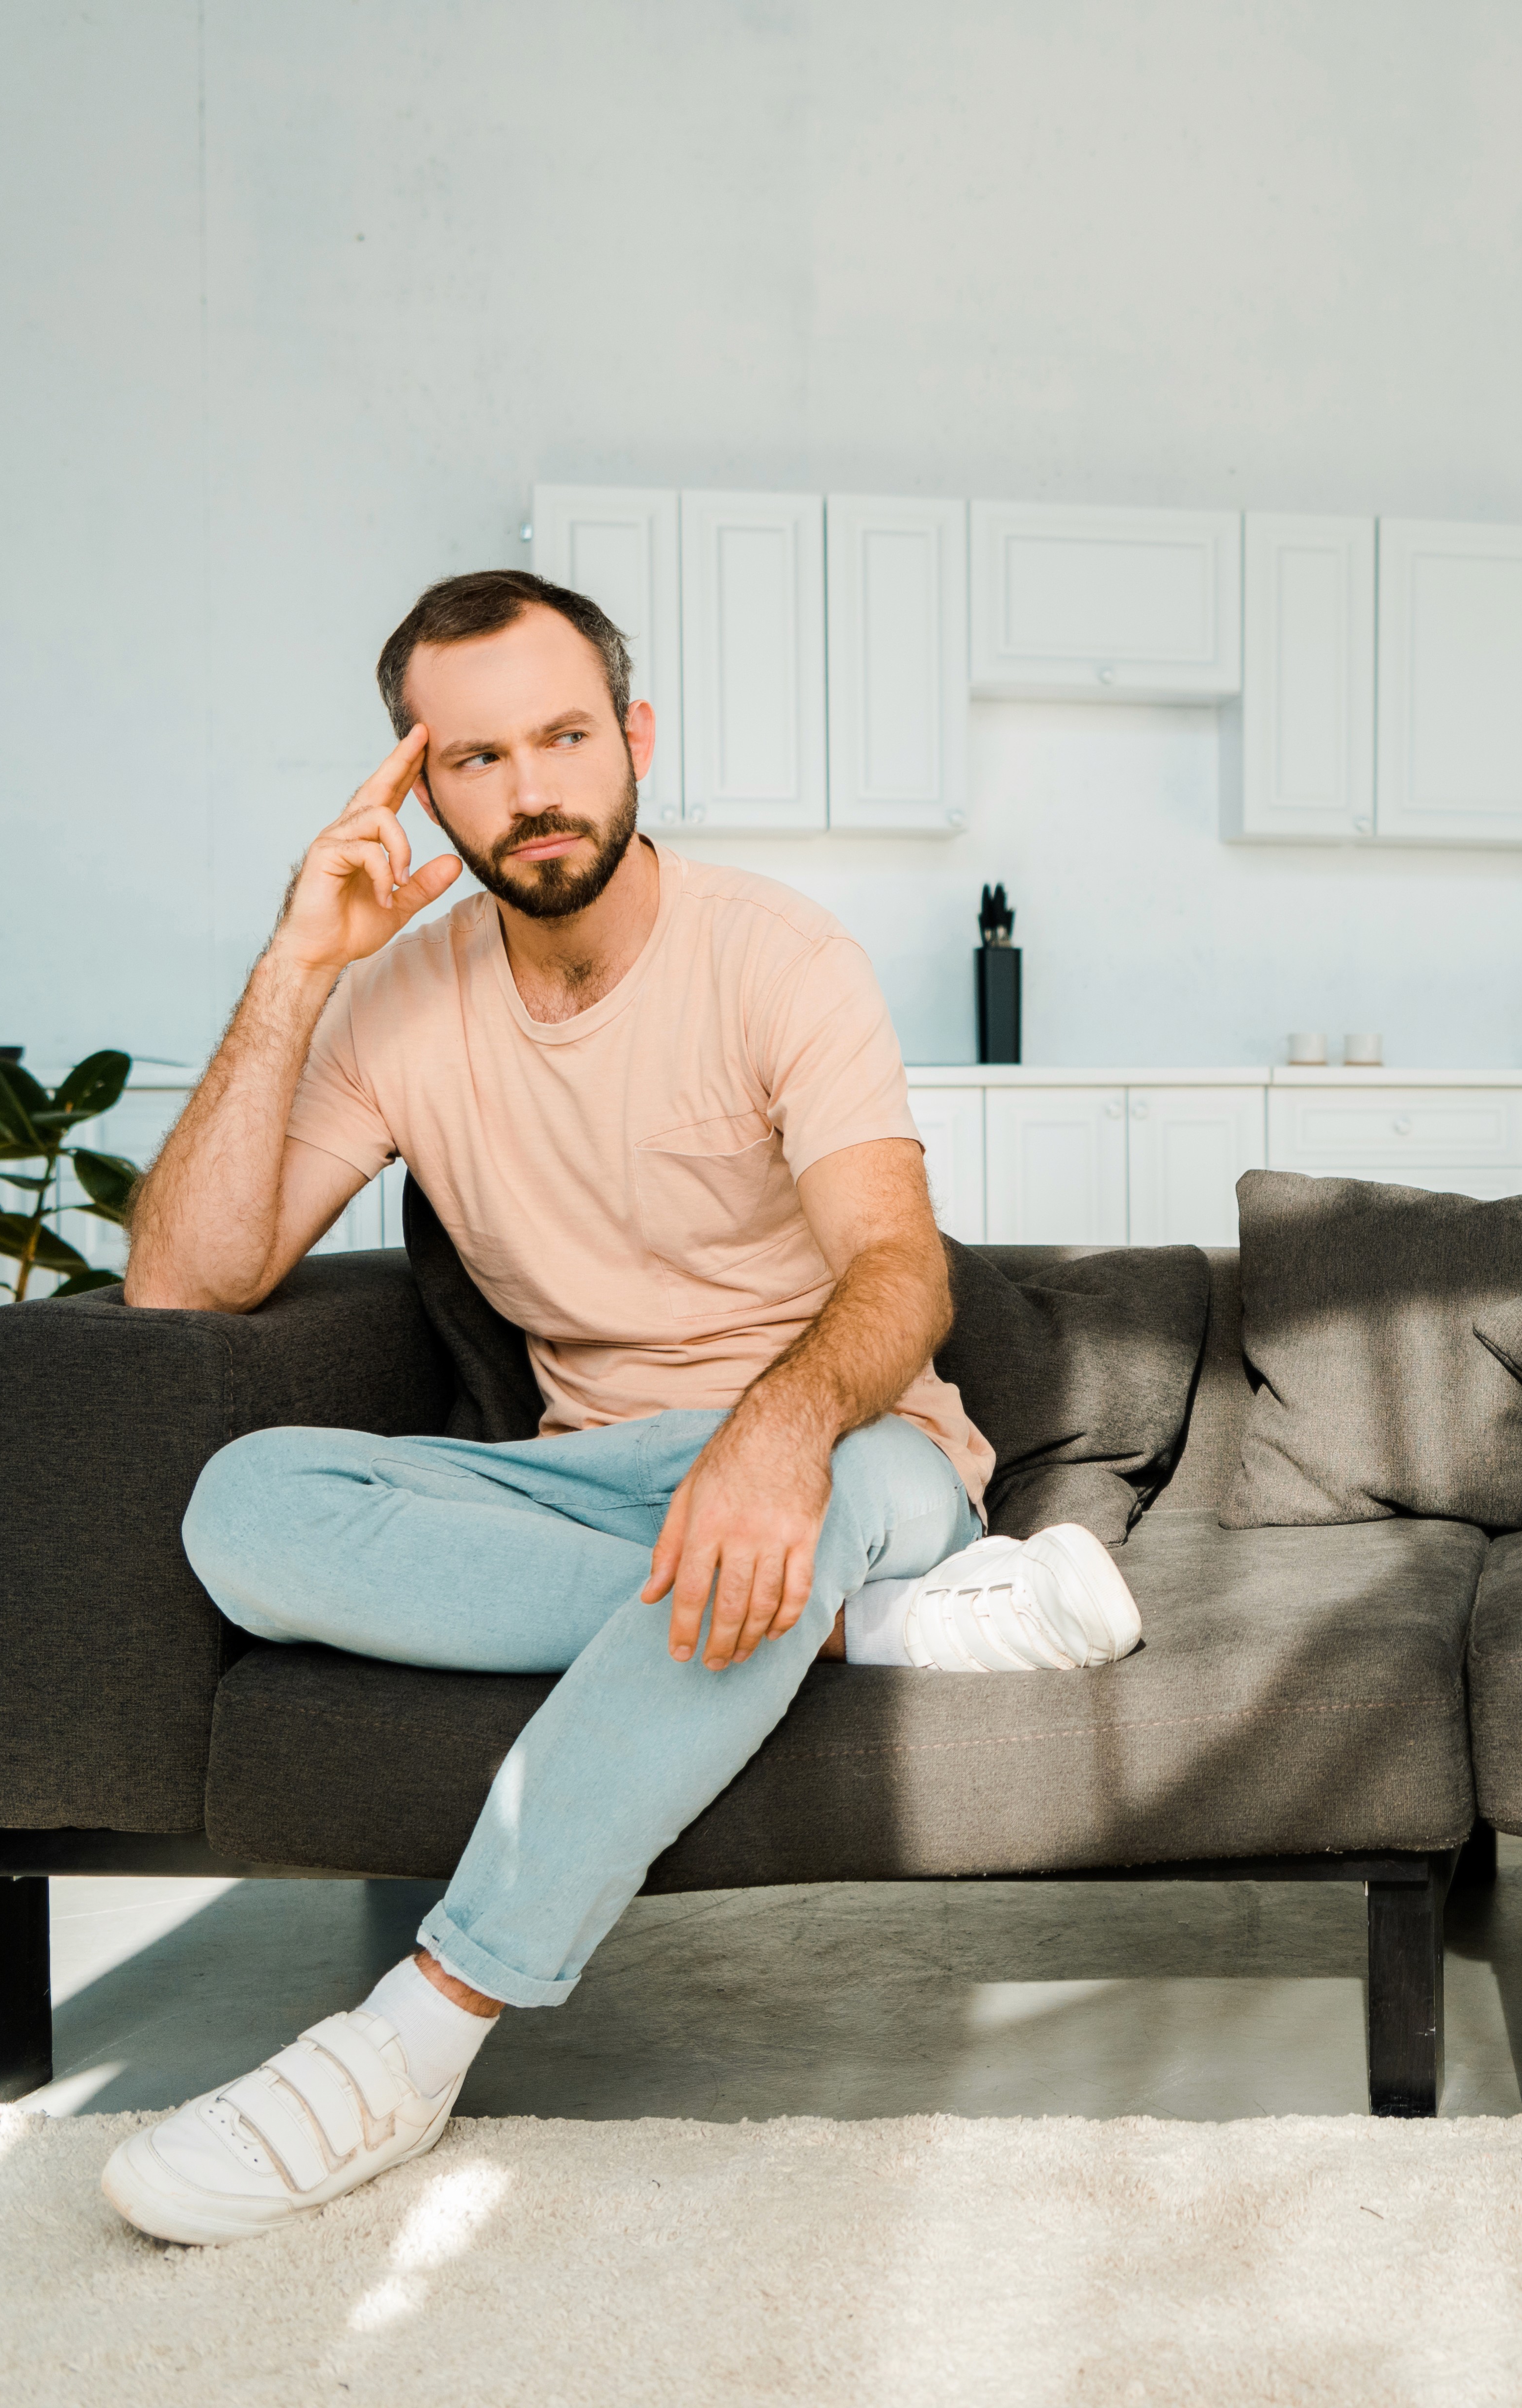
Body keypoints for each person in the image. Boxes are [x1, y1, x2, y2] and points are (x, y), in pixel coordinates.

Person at [100, 572, 1142, 2247]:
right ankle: (859, 1633)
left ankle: (417, 2035)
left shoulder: (778, 958)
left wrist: (772, 1445)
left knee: (799, 1510)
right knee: (246, 1506)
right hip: (595, 1478)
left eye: (566, 737)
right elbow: (180, 1282)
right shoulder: (396, 999)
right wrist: (298, 963)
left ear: (634, 736)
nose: (532, 789)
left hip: (856, 1456)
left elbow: (898, 1273)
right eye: (477, 758)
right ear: (419, 789)